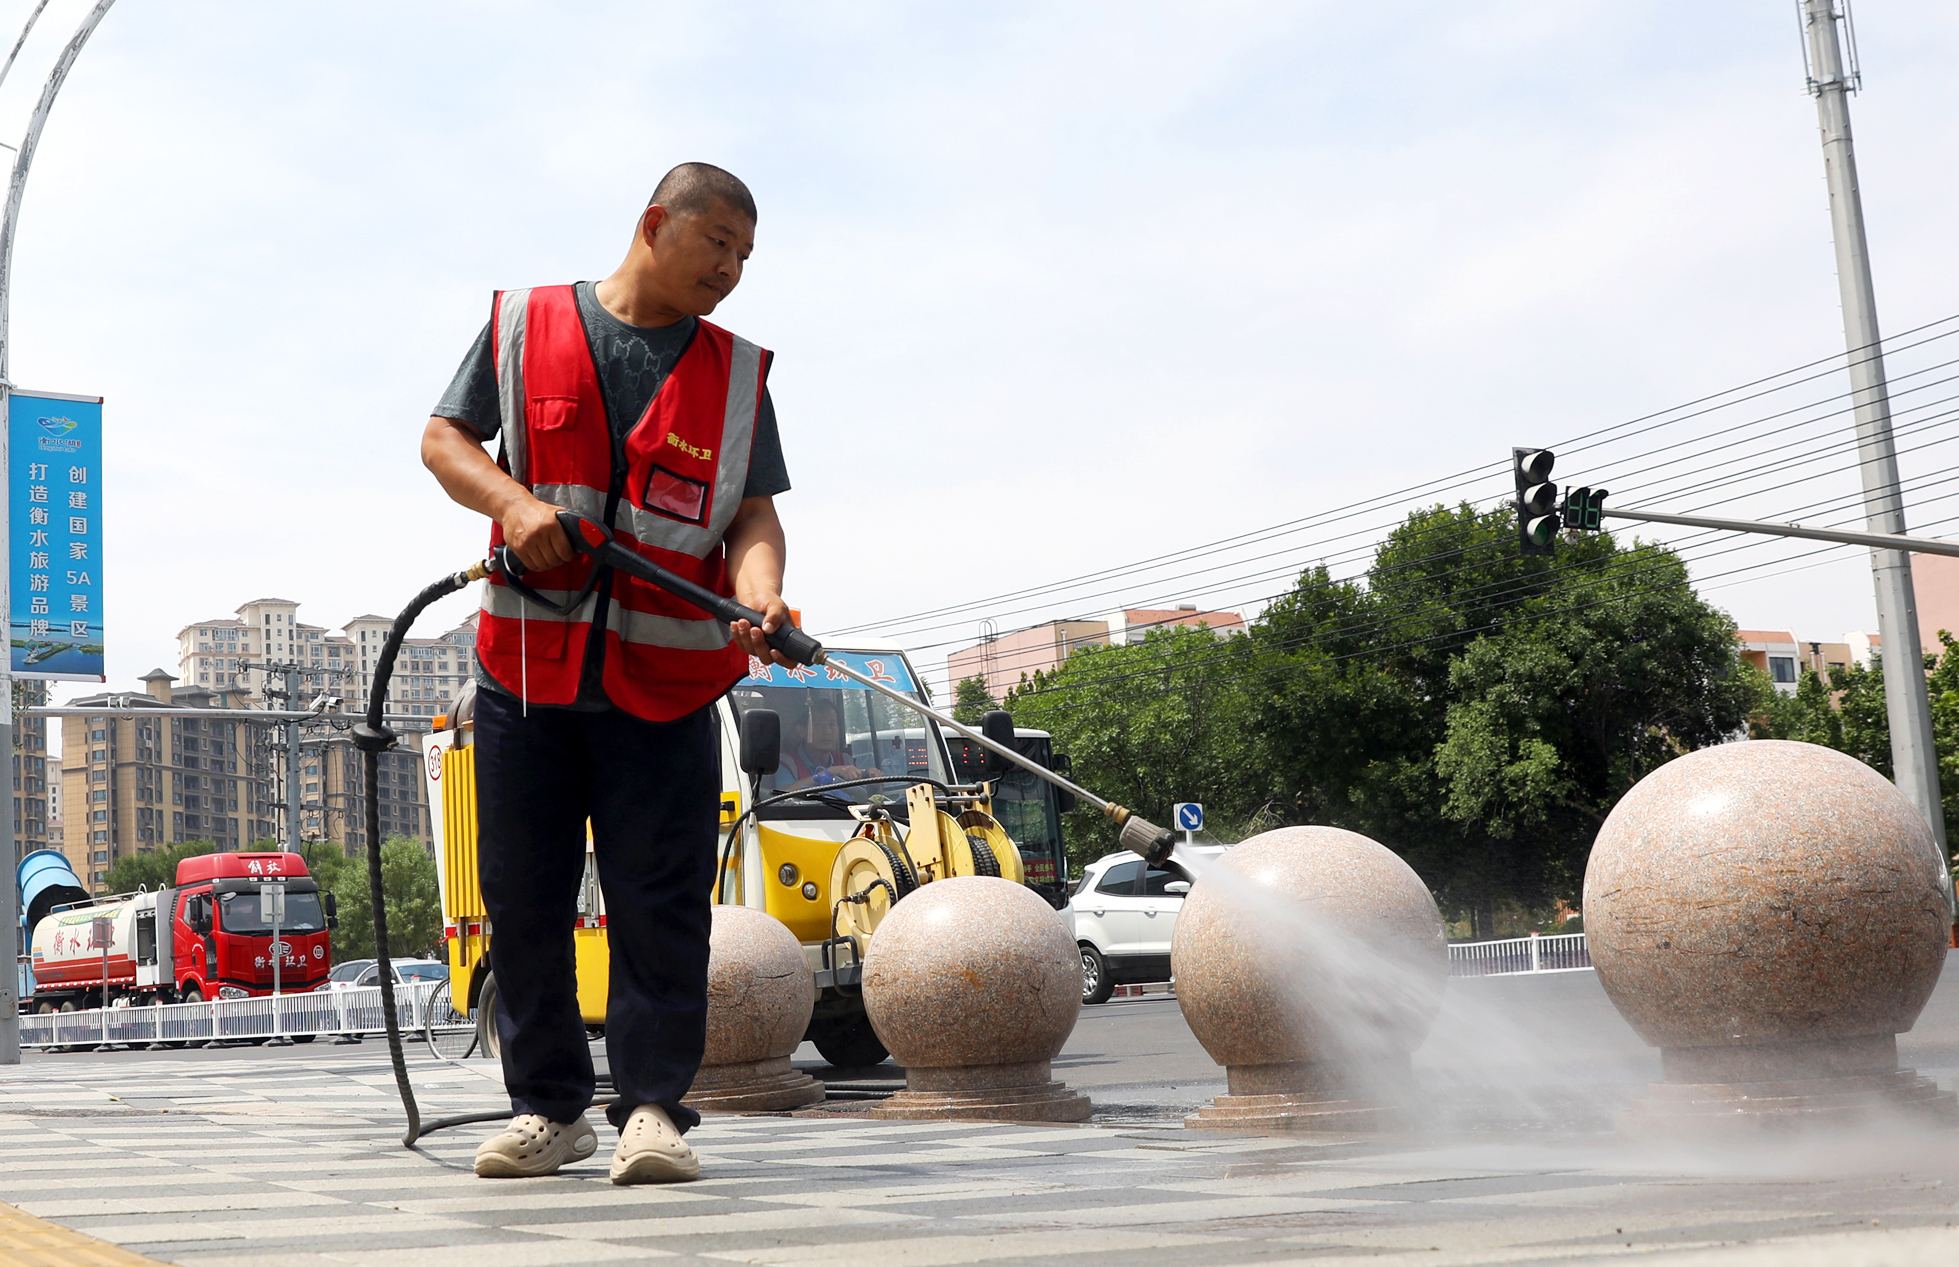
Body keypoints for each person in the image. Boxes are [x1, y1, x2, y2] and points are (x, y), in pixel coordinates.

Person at [421, 162, 793, 1184]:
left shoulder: (734, 374)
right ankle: (549, 1109)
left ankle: (654, 1110)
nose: (730, 269)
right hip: (526, 677)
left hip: (669, 684)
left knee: (659, 903)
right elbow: (444, 439)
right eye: (717, 242)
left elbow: (754, 514)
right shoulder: (527, 324)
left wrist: (762, 594)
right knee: (524, 899)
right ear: (654, 224)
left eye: (745, 255)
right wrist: (513, 505)